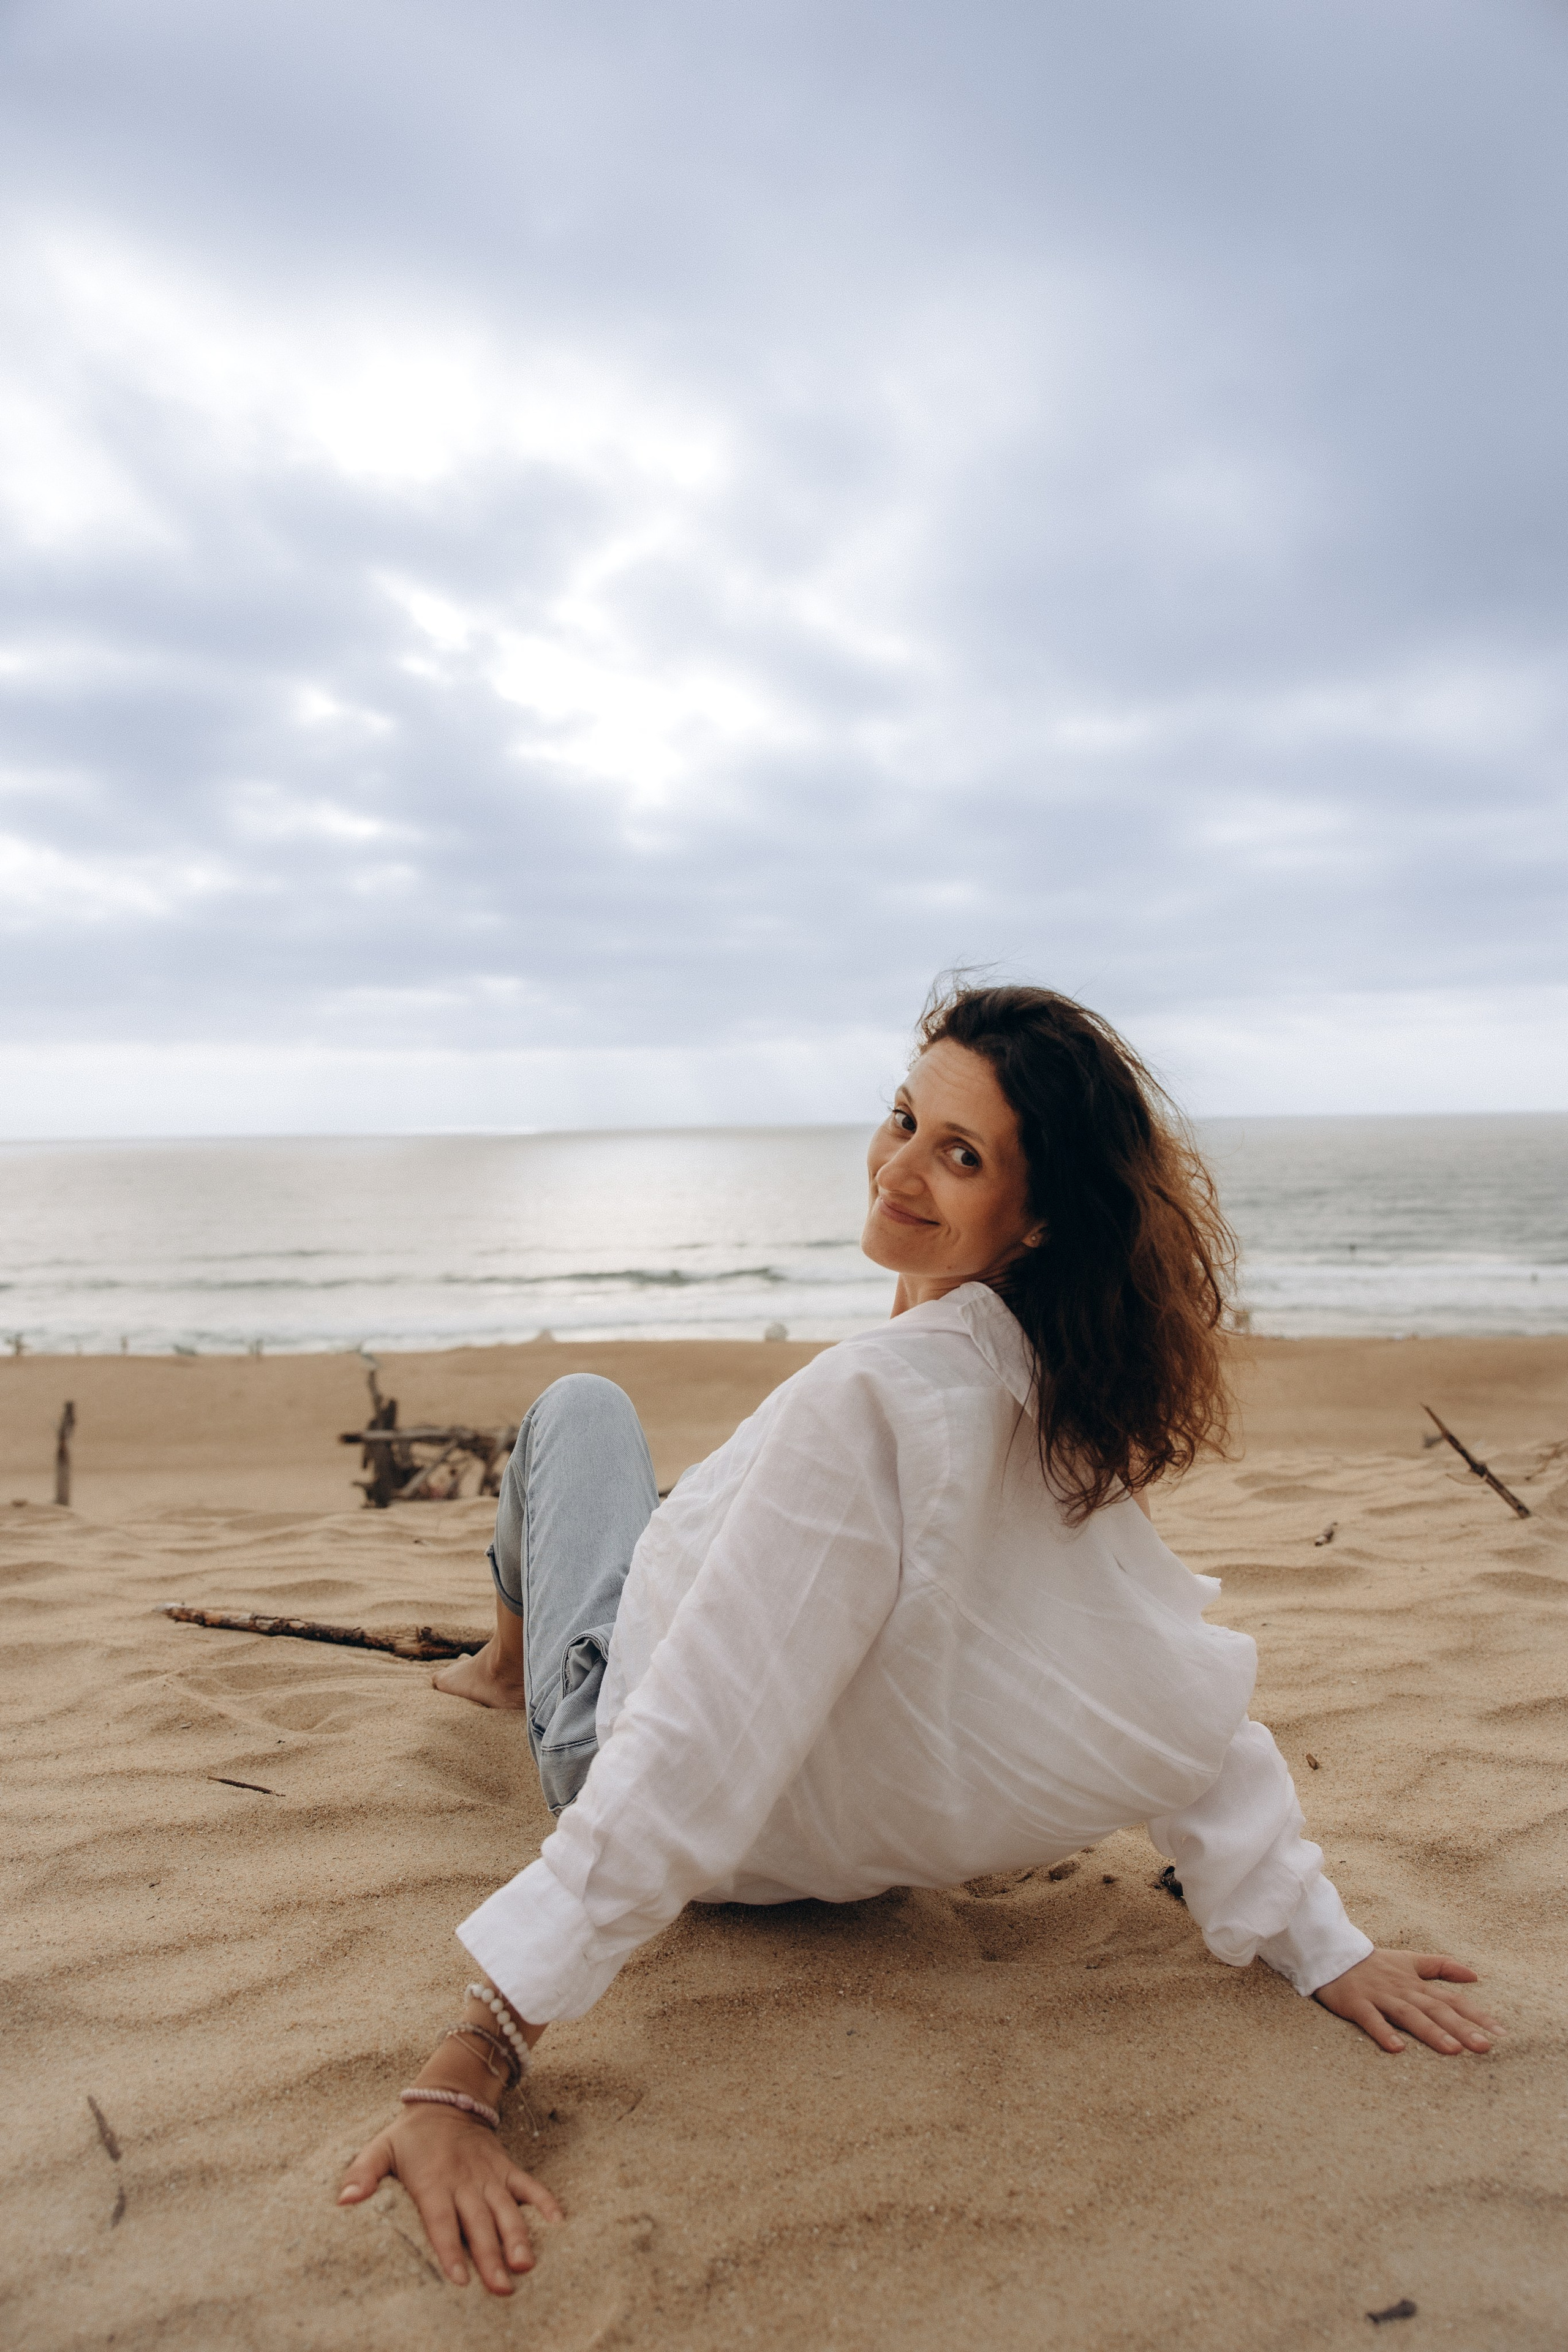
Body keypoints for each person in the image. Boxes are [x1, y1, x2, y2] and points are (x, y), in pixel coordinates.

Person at [339, 982, 1498, 2295]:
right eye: (903, 1119)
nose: (898, 1168)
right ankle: (515, 1652)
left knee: (578, 1410)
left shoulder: (871, 1404)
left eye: (960, 1156)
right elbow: (1164, 1688)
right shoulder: (1041, 1396)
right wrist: (1315, 1942)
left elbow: (691, 1749)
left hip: (622, 1751)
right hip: (831, 1832)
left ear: (1036, 1211)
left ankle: (510, 1666)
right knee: (679, 1507)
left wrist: (468, 2066)